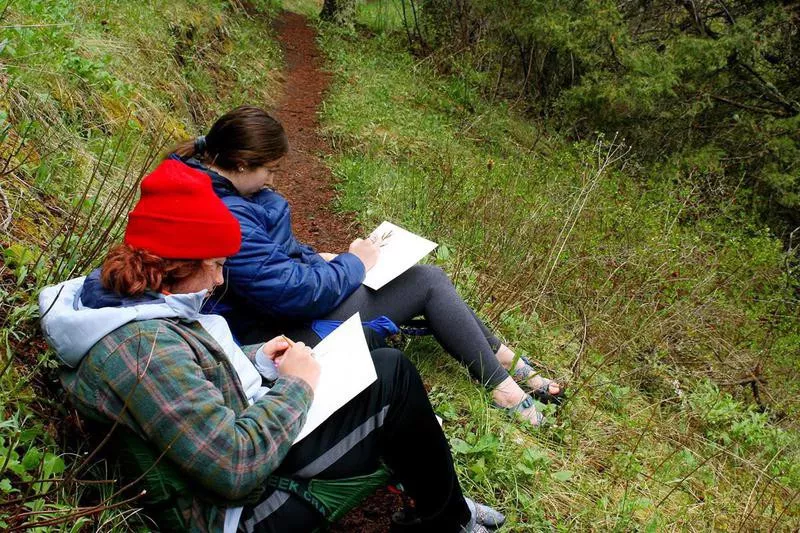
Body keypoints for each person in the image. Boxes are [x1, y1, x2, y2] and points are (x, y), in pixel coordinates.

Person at [39, 160, 504, 532]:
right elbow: (234, 466)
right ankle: (448, 513)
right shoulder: (142, 351)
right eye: (216, 265)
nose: (221, 279)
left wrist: (257, 358)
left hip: (242, 428)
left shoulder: (134, 303)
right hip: (247, 509)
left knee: (382, 367)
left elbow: (192, 381)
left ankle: (445, 507)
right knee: (394, 387)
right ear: (174, 267)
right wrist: (297, 386)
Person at [169, 106, 565, 426]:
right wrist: (354, 264)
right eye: (269, 169)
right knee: (427, 282)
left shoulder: (218, 193)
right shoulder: (226, 213)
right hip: (281, 331)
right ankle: (505, 386)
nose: (272, 178)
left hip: (271, 312)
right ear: (240, 163)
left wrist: (323, 258)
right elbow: (293, 294)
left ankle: (505, 363)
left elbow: (275, 259)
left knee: (424, 280)